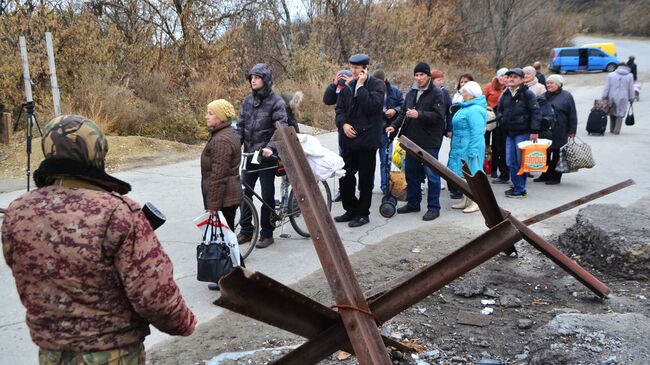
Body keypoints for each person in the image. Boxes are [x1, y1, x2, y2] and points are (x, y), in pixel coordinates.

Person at [1, 115, 196, 364]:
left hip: (51, 354)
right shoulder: (117, 212)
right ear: (97, 151)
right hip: (113, 353)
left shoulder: (19, 210)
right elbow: (153, 294)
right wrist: (184, 323)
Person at [236, 63, 288, 248]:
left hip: (266, 156)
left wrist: (271, 148)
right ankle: (246, 231)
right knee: (245, 192)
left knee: (266, 194)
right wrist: (235, 145)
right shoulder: (247, 101)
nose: (253, 80)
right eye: (251, 77)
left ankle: (267, 232)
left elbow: (281, 128)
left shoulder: (277, 102)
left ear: (265, 80)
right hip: (250, 154)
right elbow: (240, 126)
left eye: (256, 77)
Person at [386, 62, 445, 221]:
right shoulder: (412, 92)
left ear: (428, 76)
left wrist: (419, 114)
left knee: (432, 175)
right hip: (411, 140)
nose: (419, 78)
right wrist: (393, 126)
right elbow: (403, 113)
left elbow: (439, 116)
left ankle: (434, 207)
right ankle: (413, 203)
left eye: (422, 75)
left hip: (429, 141)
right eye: (416, 75)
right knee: (411, 173)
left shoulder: (437, 93)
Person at [334, 53, 385, 227]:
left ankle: (363, 213)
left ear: (365, 68)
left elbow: (373, 107)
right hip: (350, 140)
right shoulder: (348, 86)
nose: (354, 71)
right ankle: (351, 209)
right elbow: (339, 110)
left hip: (367, 141)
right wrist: (344, 125)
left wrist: (361, 87)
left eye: (357, 68)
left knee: (365, 179)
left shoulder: (377, 85)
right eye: (352, 68)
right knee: (344, 176)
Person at [201, 100, 242, 290]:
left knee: (226, 240)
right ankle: (231, 276)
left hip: (224, 196)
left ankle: (234, 278)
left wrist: (213, 205)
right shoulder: (224, 134)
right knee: (227, 238)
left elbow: (218, 176)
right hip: (227, 195)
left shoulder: (221, 140)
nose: (206, 116)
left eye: (210, 113)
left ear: (220, 117)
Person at [497, 68, 542, 198]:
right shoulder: (505, 94)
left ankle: (520, 189)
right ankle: (517, 186)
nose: (511, 79)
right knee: (510, 161)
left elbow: (536, 112)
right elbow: (499, 110)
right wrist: (502, 120)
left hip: (523, 132)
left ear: (522, 80)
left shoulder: (527, 94)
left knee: (520, 161)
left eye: (515, 77)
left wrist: (534, 131)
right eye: (510, 76)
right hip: (509, 133)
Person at [447, 81, 487, 213]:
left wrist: (473, 150)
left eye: (464, 91)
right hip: (462, 145)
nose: (462, 94)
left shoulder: (475, 109)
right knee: (465, 175)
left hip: (470, 146)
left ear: (471, 94)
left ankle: (477, 202)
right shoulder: (467, 107)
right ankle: (466, 199)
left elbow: (477, 132)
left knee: (474, 174)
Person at [534, 75, 577, 185]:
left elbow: (572, 114)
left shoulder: (567, 96)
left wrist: (572, 131)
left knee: (558, 154)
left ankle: (556, 176)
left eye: (552, 83)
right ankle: (545, 174)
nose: (549, 85)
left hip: (561, 129)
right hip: (546, 130)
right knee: (546, 153)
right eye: (548, 83)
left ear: (559, 84)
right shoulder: (543, 96)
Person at [324, 69, 353, 202]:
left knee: (353, 165)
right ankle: (343, 191)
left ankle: (354, 190)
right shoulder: (338, 88)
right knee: (343, 164)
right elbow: (327, 100)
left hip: (354, 130)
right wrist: (334, 84)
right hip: (342, 130)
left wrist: (351, 84)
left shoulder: (354, 87)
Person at [373, 69, 404, 194]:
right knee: (369, 162)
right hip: (373, 131)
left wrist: (394, 110)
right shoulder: (370, 91)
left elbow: (403, 106)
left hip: (388, 130)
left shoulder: (395, 91)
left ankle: (385, 186)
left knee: (386, 161)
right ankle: (366, 187)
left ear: (385, 80)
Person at [485, 68, 510, 184]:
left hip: (500, 118)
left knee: (497, 144)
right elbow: (481, 98)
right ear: (498, 77)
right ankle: (485, 166)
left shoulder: (508, 88)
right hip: (489, 116)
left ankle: (494, 169)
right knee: (485, 143)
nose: (503, 78)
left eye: (506, 76)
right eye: (502, 76)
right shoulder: (490, 86)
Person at [602, 62, 635, 135]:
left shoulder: (611, 75)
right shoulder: (630, 76)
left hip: (612, 96)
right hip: (624, 97)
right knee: (620, 113)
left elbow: (607, 87)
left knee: (612, 111)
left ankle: (611, 129)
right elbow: (631, 88)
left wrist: (604, 96)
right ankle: (617, 130)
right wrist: (632, 98)